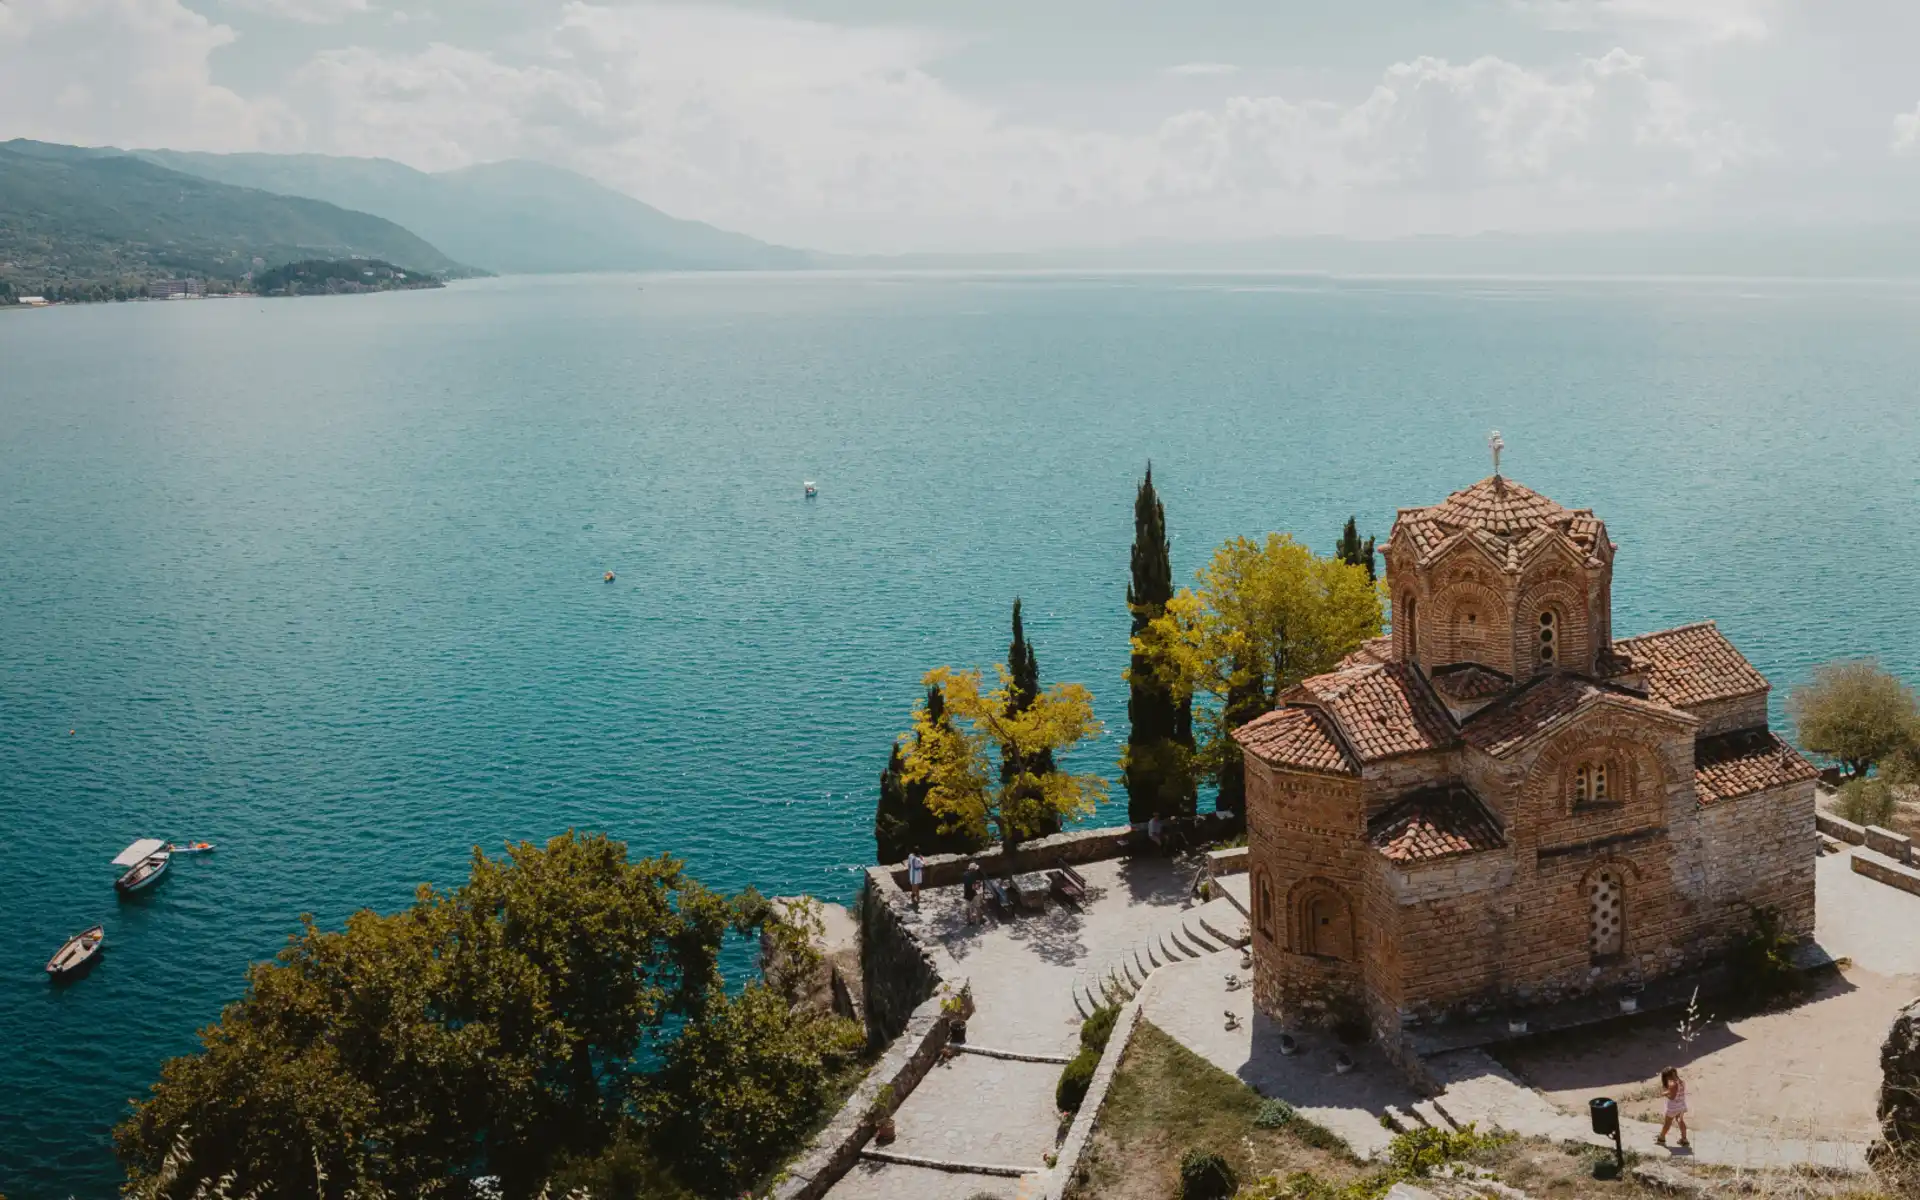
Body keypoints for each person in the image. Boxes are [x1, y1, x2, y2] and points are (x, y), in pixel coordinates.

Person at [1656, 1066, 1690, 1149]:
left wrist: (1665, 1095)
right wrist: (1667, 1092)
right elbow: (1676, 1092)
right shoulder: (1681, 1082)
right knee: (1680, 1121)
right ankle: (1684, 1139)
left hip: (1673, 1108)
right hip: (1681, 1106)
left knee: (1667, 1123)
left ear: (1668, 1076)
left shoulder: (1672, 1084)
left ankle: (1661, 1138)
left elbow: (1672, 1097)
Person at [962, 860, 984, 925]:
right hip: (975, 893)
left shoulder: (965, 875)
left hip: (967, 893)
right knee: (978, 907)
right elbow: (980, 879)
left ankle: (969, 921)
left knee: (968, 908)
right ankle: (979, 920)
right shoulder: (977, 875)